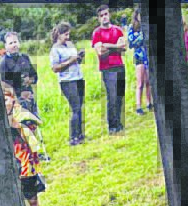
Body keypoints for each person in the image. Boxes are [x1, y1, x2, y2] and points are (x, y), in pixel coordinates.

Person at [1, 82, 49, 206]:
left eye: (6, 99)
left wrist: (17, 125)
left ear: (13, 99)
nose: (4, 103)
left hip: (25, 166)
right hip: (6, 168)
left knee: (32, 200)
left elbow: (33, 134)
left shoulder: (23, 116)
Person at [91, 4, 127, 134]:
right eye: (101, 16)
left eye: (106, 14)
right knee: (111, 96)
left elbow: (123, 47)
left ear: (109, 15)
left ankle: (119, 122)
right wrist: (114, 46)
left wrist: (107, 46)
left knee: (119, 96)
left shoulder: (117, 30)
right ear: (98, 18)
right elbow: (100, 51)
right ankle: (112, 126)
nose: (104, 17)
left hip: (119, 65)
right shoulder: (97, 33)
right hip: (107, 68)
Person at [49, 21, 86, 145]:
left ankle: (80, 134)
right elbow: (55, 68)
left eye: (68, 34)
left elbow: (75, 61)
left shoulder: (70, 44)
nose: (68, 37)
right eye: (65, 34)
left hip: (78, 78)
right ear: (59, 34)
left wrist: (79, 57)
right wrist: (70, 61)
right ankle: (72, 137)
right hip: (67, 81)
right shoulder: (55, 49)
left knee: (80, 107)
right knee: (75, 107)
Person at [127, 9, 153, 114]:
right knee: (140, 82)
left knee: (148, 81)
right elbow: (131, 43)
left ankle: (149, 102)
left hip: (148, 56)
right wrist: (141, 37)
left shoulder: (146, 26)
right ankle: (138, 105)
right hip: (139, 56)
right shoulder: (132, 27)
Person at [0, 32, 38, 99]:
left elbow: (34, 76)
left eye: (15, 42)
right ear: (6, 46)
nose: (14, 45)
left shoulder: (25, 57)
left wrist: (30, 80)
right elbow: (3, 82)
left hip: (29, 95)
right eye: (11, 43)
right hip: (14, 99)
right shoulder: (3, 62)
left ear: (19, 43)